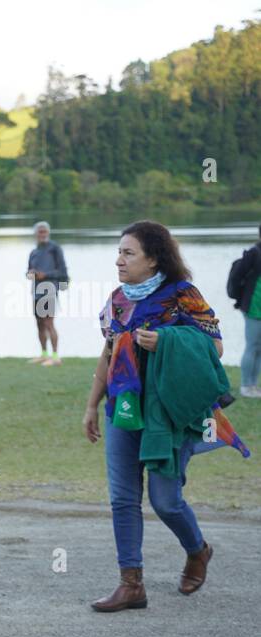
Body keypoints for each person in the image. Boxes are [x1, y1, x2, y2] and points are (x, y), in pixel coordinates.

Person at [84, 221, 248, 611]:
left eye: (128, 253)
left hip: (168, 413)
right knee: (123, 499)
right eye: (118, 252)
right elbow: (108, 353)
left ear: (154, 259)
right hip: (123, 409)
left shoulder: (183, 295)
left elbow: (216, 348)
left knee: (165, 500)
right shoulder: (117, 300)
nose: (119, 260)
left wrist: (167, 341)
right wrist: (92, 404)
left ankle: (198, 549)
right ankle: (131, 584)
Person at [26, 221, 68, 367]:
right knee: (39, 324)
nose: (42, 234)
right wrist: (31, 274)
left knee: (49, 323)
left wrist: (46, 275)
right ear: (36, 234)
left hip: (50, 290)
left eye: (44, 231)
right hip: (36, 292)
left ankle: (56, 356)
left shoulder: (55, 248)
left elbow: (63, 272)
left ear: (48, 233)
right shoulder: (34, 252)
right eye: (39, 232)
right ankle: (44, 354)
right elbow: (28, 273)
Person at [226, 223, 261, 398]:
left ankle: (254, 385)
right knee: (252, 345)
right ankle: (246, 385)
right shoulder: (253, 254)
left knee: (260, 348)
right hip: (253, 308)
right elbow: (237, 277)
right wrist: (240, 300)